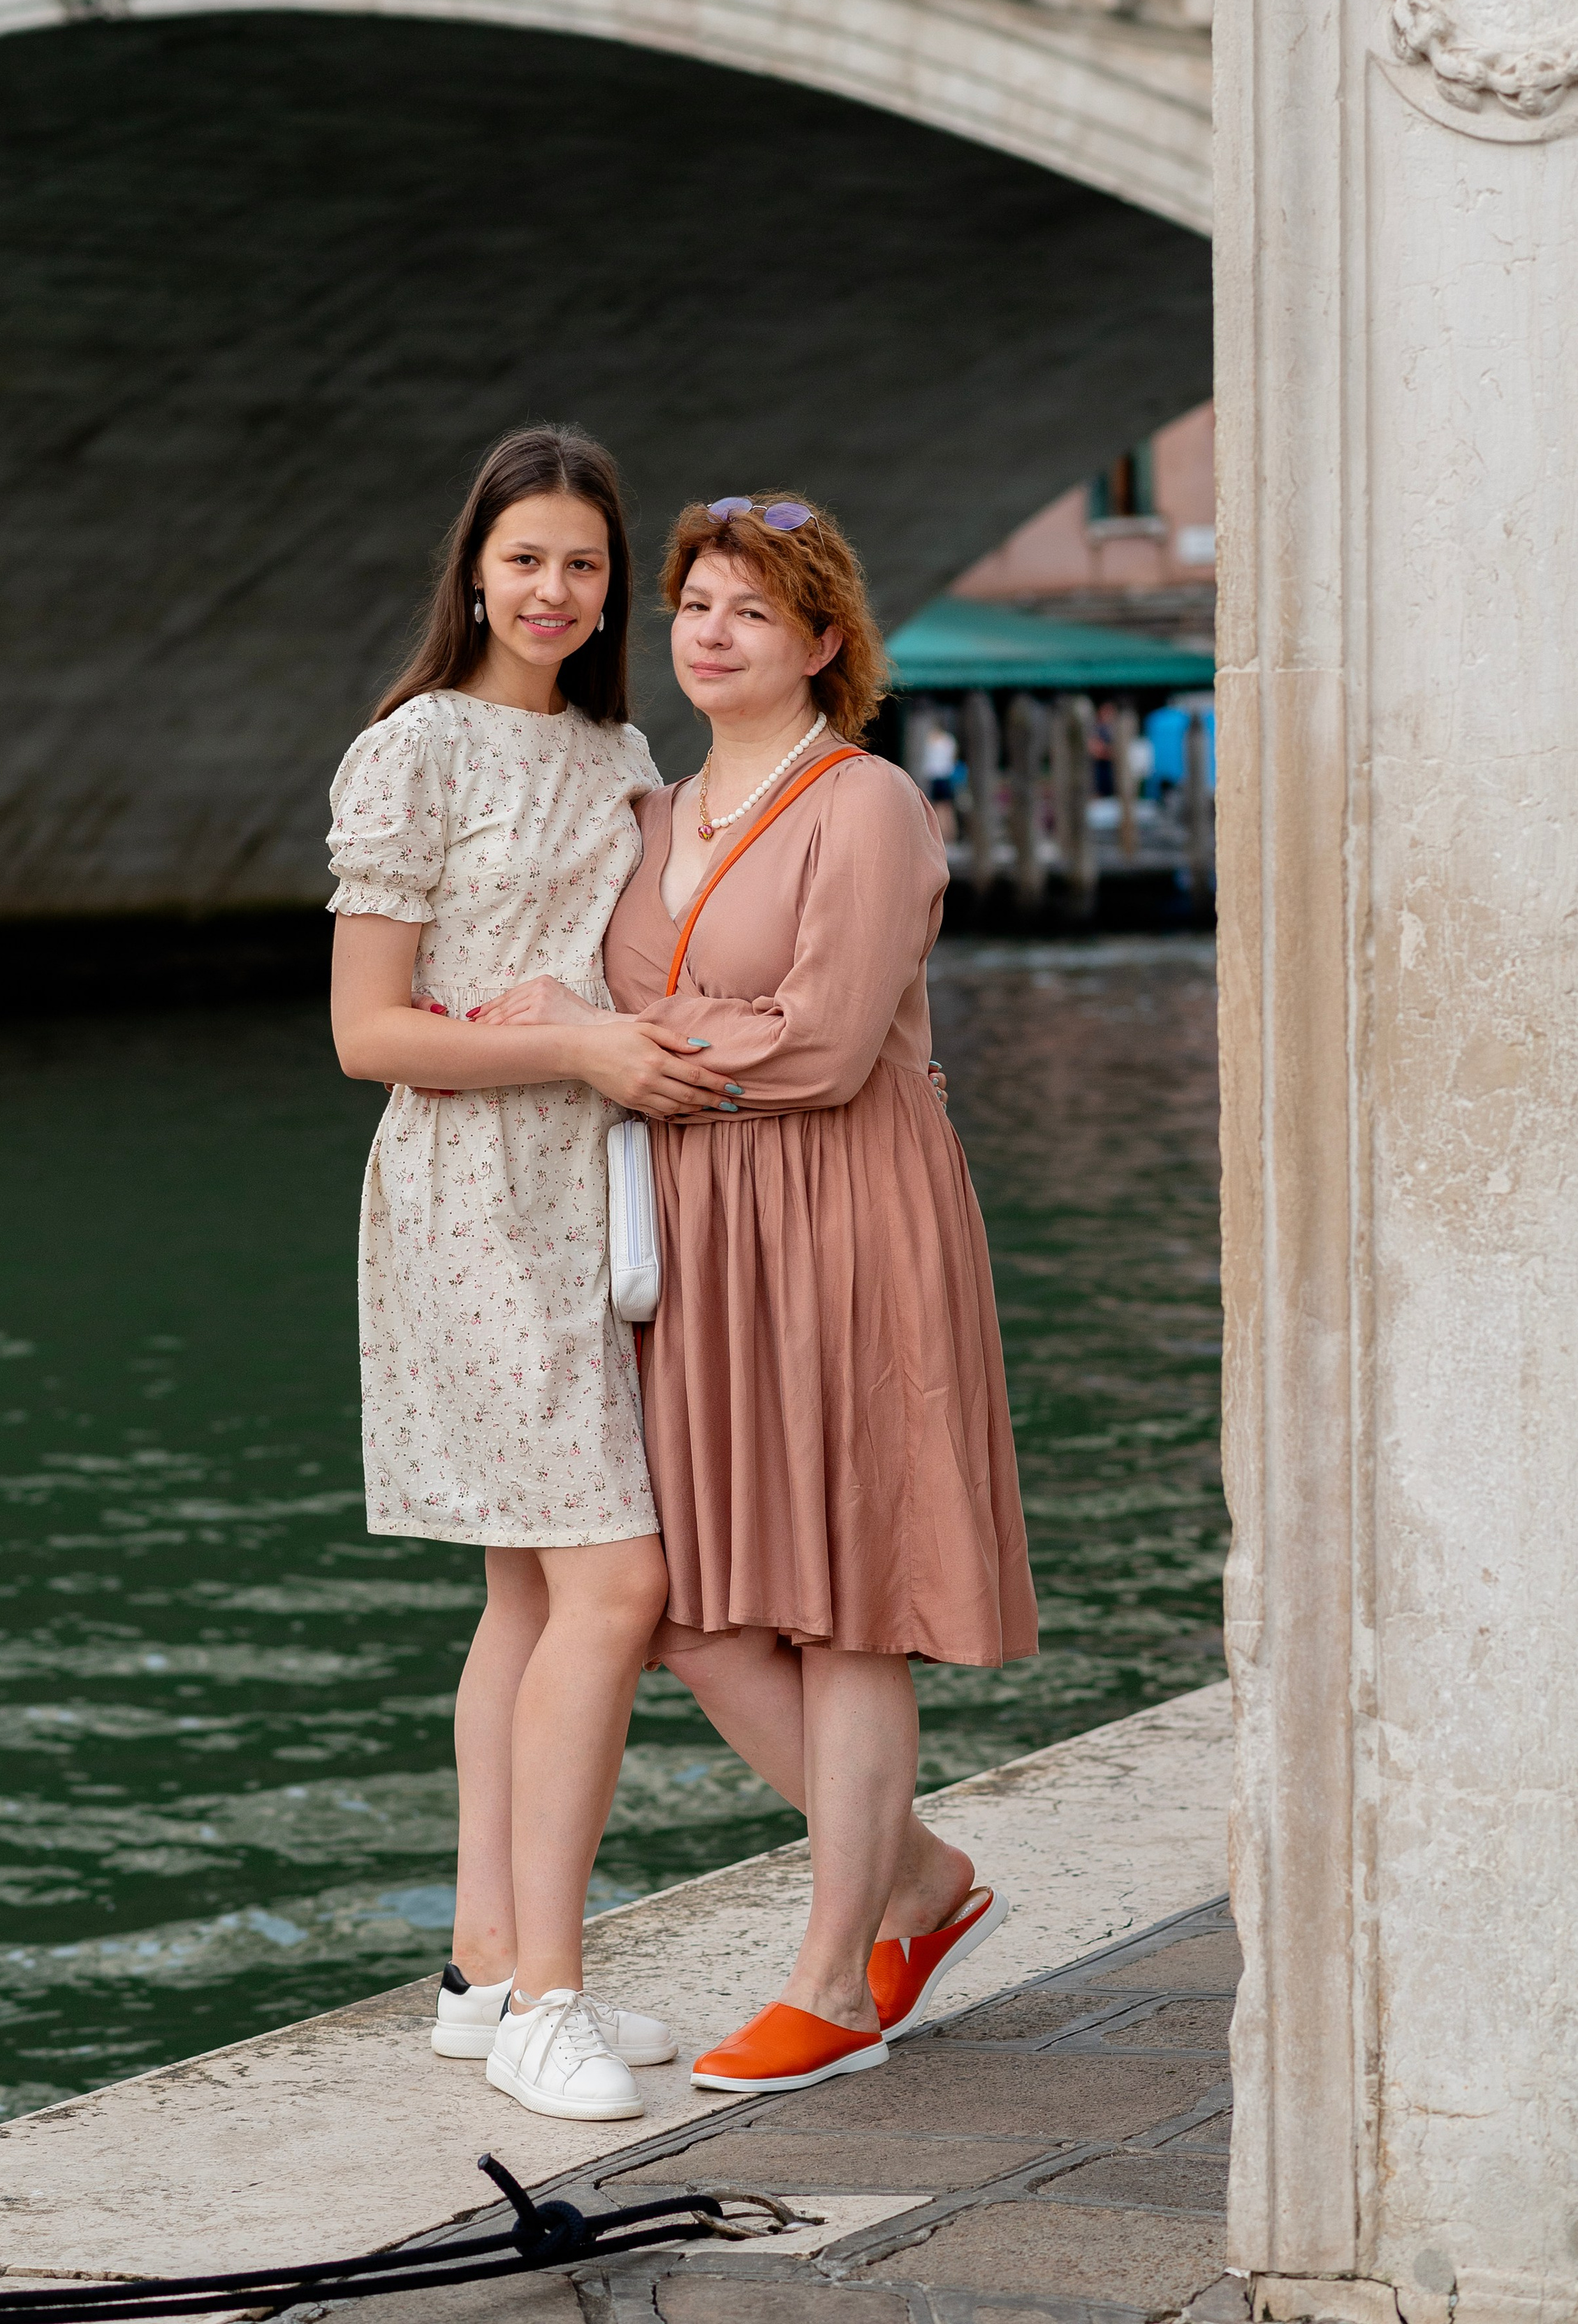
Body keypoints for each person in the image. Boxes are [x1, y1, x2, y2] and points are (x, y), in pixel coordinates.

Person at [474, 492, 1037, 2098]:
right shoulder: (651, 812)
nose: (710, 632)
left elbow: (825, 1038)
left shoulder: (863, 804)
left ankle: (837, 1973)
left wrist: (613, 1054)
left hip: (850, 1213)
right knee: (707, 1612)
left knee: (849, 1599)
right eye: (692, 605)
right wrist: (551, 1016)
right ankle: (920, 1877)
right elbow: (605, 996)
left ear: (819, 642)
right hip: (703, 1235)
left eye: (748, 610)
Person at [326, 426, 731, 2124]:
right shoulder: (411, 749)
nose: (554, 591)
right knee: (615, 1588)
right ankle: (547, 1996)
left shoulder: (617, 743)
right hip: (470, 1193)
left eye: (582, 563)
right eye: (524, 561)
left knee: (528, 1591)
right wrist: (578, 1048)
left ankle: (483, 1967)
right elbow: (367, 1033)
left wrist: (604, 1038)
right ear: (472, 570)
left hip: (598, 1185)